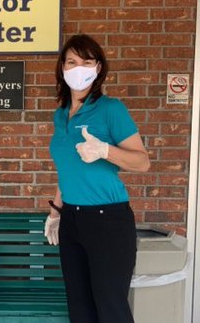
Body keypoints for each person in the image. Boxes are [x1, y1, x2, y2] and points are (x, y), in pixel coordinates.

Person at [44, 34, 150, 323]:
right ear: (62, 69)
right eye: (72, 62)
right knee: (80, 310)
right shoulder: (60, 115)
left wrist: (105, 150)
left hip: (108, 222)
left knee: (110, 309)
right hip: (72, 221)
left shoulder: (110, 109)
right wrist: (56, 210)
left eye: (86, 62)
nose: (79, 68)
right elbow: (67, 169)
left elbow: (142, 162)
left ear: (99, 68)